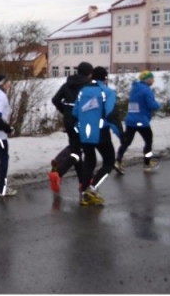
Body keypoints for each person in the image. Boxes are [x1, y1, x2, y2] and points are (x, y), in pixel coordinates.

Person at [73, 66, 123, 206]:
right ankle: (92, 188)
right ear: (105, 78)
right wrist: (121, 134)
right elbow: (111, 115)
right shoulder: (107, 92)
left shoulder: (82, 91)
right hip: (101, 133)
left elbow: (75, 112)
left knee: (89, 162)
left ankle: (84, 192)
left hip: (84, 133)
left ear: (91, 77)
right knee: (109, 161)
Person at [48, 61, 93, 194]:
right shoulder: (89, 86)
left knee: (76, 149)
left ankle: (82, 181)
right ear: (89, 73)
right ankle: (58, 172)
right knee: (77, 150)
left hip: (68, 120)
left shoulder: (68, 83)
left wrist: (65, 111)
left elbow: (55, 100)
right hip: (82, 120)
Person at [115, 70, 161, 174]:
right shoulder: (147, 90)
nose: (153, 80)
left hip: (130, 120)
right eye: (151, 78)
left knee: (126, 142)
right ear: (147, 79)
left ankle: (118, 161)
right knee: (148, 141)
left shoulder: (134, 89)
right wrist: (159, 105)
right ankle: (147, 163)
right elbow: (152, 105)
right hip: (142, 121)